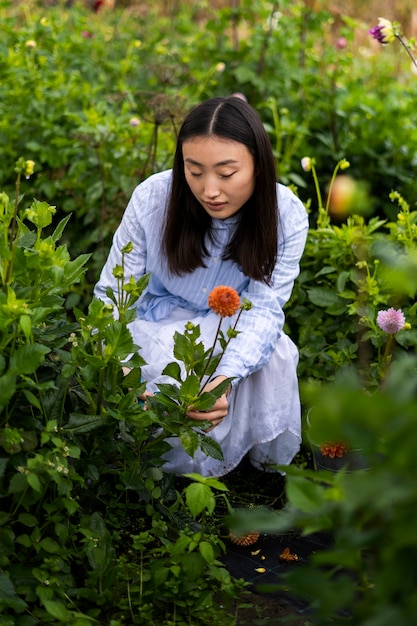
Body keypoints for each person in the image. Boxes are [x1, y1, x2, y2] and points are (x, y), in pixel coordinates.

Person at [94, 96, 309, 477]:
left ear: (259, 164)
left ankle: (240, 461)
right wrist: (120, 367)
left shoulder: (284, 213)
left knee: (273, 353)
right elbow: (113, 293)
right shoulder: (154, 198)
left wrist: (225, 379)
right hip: (158, 319)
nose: (209, 190)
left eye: (226, 174)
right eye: (194, 171)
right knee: (155, 370)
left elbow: (262, 309)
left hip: (232, 324)